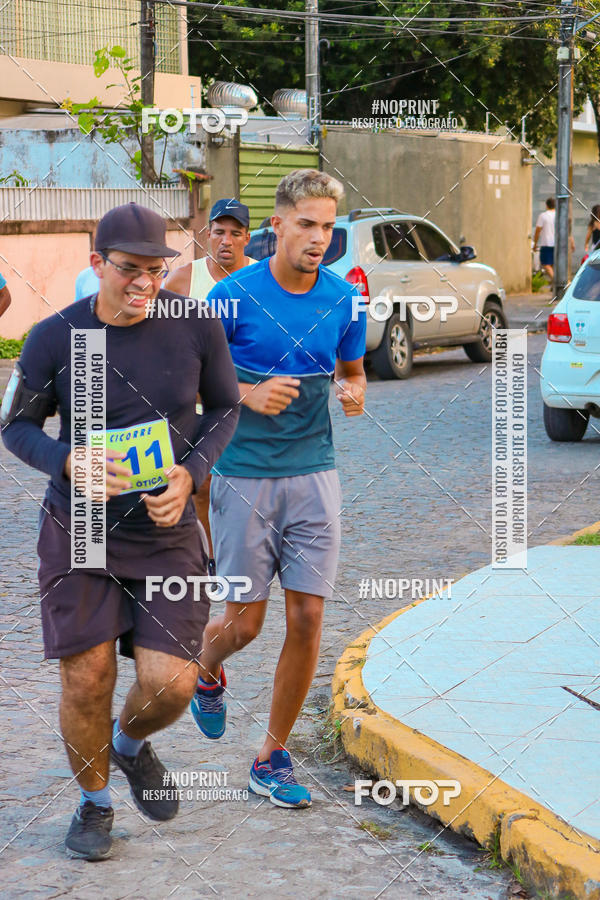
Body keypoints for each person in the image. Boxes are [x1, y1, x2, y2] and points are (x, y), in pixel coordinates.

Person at [1, 202, 240, 860]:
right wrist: (65, 459)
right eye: (128, 270)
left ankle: (130, 746)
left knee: (173, 683)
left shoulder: (195, 326)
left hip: (164, 533)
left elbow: (224, 408)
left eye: (155, 271)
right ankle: (94, 802)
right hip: (81, 530)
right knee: (87, 676)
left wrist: (190, 476)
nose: (143, 285)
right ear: (96, 264)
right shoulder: (56, 337)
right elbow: (15, 425)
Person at [190, 169, 367, 808]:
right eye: (307, 225)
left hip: (315, 472)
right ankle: (206, 670)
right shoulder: (232, 297)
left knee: (309, 614)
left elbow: (353, 371)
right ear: (278, 225)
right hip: (243, 477)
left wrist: (353, 393)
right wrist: (247, 394)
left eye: (328, 227)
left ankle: (271, 755)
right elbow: (192, 386)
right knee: (244, 622)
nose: (318, 238)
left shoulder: (345, 300)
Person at [164, 198, 256, 558]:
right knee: (201, 483)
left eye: (235, 233)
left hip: (248, 398)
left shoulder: (260, 279)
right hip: (198, 401)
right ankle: (213, 554)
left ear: (247, 237)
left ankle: (246, 548)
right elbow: (156, 331)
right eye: (219, 232)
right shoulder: (186, 278)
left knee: (245, 482)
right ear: (207, 235)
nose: (226, 240)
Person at [533, 197, 556, 284]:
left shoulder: (543, 216)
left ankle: (556, 281)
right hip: (557, 244)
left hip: (546, 243)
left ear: (546, 205)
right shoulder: (559, 215)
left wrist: (535, 243)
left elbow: (538, 230)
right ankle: (554, 285)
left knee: (546, 264)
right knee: (553, 265)